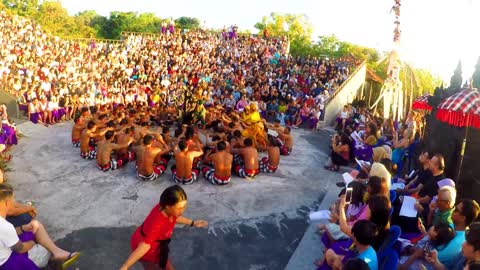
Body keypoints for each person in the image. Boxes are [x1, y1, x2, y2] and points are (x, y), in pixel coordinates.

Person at [120, 185, 208, 270]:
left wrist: (193, 223)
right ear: (168, 206)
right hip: (147, 249)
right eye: (179, 208)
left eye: (184, 207)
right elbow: (145, 246)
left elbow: (175, 217)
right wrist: (126, 266)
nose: (182, 211)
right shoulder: (157, 222)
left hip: (156, 244)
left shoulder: (168, 210)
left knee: (165, 264)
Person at [0, 183, 80, 270]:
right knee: (44, 250)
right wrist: (32, 243)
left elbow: (5, 235)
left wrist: (23, 228)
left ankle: (57, 253)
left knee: (35, 225)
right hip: (8, 263)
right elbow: (20, 249)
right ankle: (54, 259)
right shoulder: (5, 226)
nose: (14, 202)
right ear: (7, 203)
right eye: (13, 199)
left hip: (5, 251)